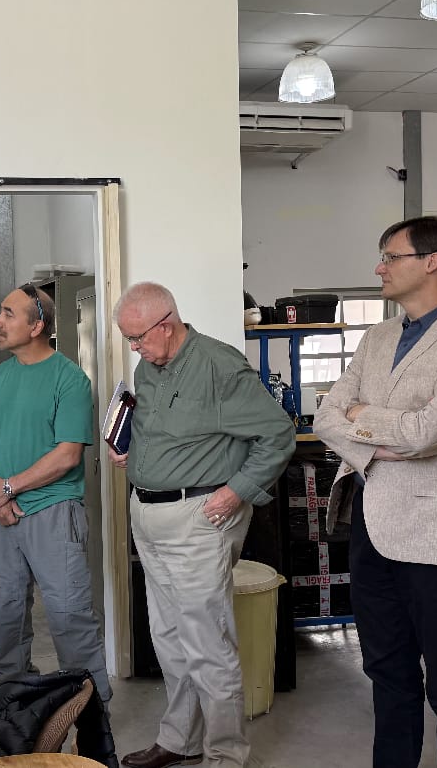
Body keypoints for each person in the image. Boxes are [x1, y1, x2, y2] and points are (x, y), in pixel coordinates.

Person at [309, 216, 437, 768]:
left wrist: (361, 417)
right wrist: (378, 442)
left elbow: (426, 432)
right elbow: (325, 417)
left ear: (432, 261)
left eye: (391, 257)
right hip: (370, 529)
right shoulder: (377, 337)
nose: (380, 268)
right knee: (387, 673)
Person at [112, 282, 294, 768]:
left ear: (167, 325)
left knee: (208, 643)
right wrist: (131, 451)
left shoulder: (219, 366)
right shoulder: (148, 368)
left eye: (138, 337)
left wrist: (237, 491)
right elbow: (165, 431)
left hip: (197, 518)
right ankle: (181, 740)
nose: (134, 347)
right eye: (129, 339)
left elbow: (277, 434)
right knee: (170, 638)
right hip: (149, 516)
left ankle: (225, 755)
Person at [0, 284, 112, 702]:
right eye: (0, 312)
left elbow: (67, 454)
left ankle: (90, 711)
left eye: (8, 313)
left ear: (37, 326)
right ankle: (15, 706)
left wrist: (7, 489)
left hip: (53, 512)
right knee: (8, 617)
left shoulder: (69, 379)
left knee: (69, 617)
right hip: (1, 516)